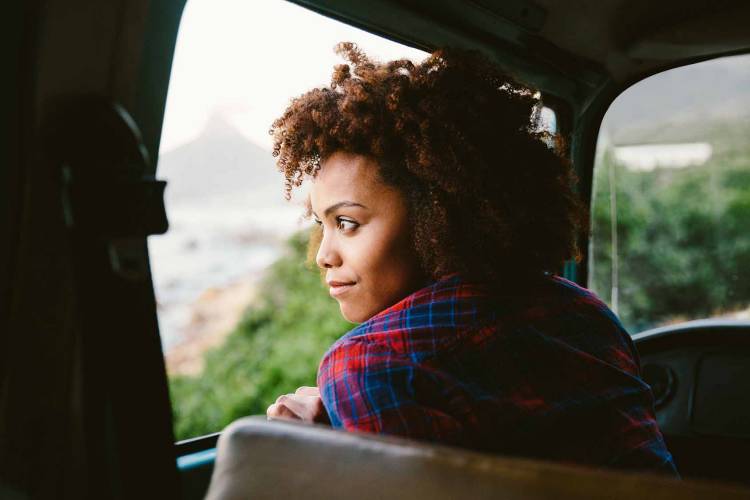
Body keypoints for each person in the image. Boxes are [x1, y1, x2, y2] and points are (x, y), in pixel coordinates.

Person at [265, 42, 678, 476]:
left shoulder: (369, 362)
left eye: (347, 222)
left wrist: (318, 450)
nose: (324, 256)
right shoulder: (585, 312)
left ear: (439, 214)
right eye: (322, 224)